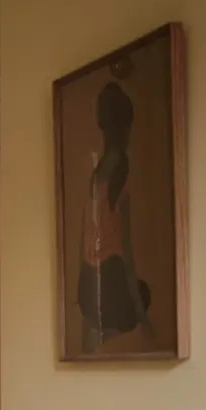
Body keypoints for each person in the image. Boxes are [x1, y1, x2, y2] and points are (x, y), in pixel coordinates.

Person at [78, 80, 151, 351]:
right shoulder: (121, 174)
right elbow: (127, 252)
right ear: (126, 127)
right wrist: (143, 318)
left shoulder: (95, 176)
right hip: (110, 280)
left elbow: (83, 241)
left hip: (89, 283)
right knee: (142, 294)